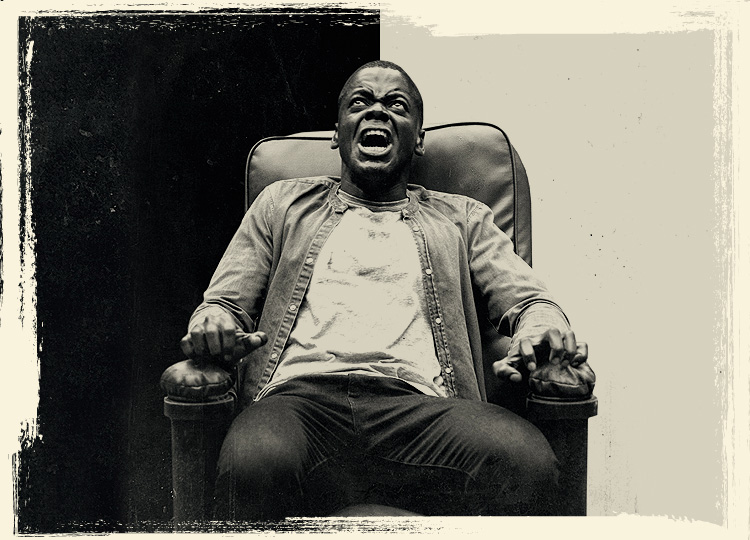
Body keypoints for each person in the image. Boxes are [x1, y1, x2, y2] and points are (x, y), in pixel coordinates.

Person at [180, 60, 589, 520]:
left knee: (527, 462)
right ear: (338, 133)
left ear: (418, 139)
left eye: (396, 104)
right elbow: (224, 302)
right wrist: (213, 322)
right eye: (360, 102)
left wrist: (540, 326)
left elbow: (529, 300)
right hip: (300, 400)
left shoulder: (463, 218)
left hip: (420, 407)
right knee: (254, 461)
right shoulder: (281, 203)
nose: (377, 111)